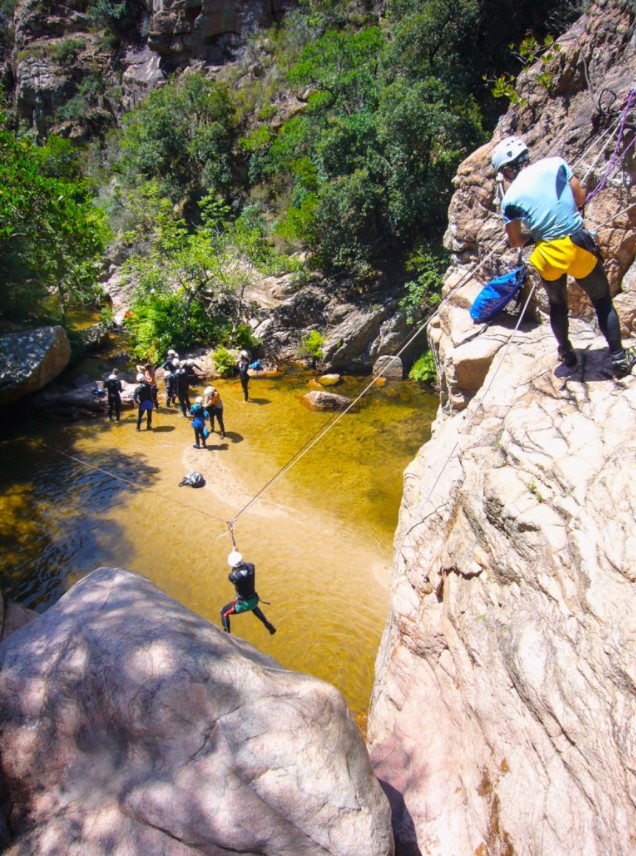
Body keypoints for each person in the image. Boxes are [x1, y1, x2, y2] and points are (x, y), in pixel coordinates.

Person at [491, 136, 636, 378]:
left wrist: (536, 235)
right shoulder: (555, 164)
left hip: (547, 253)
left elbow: (516, 240)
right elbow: (580, 198)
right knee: (602, 301)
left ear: (507, 169)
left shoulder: (509, 199)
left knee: (558, 306)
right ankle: (619, 359)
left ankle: (566, 353)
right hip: (576, 244)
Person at [220, 551, 276, 636]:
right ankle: (267, 624)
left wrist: (234, 554)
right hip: (254, 601)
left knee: (223, 611)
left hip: (243, 605)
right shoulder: (251, 567)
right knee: (253, 607)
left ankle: (227, 636)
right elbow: (244, 566)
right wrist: (236, 553)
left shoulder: (232, 577)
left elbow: (234, 572)